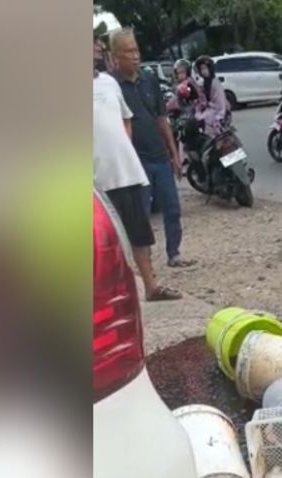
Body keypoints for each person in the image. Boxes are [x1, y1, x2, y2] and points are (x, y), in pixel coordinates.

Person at [93, 40, 180, 300]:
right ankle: (109, 293)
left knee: (140, 234)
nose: (97, 53)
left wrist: (124, 148)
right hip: (96, 180)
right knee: (104, 241)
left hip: (126, 170)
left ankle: (151, 287)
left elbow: (126, 117)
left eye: (98, 50)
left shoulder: (109, 83)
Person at [109, 28, 196, 268]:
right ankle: (142, 262)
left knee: (172, 209)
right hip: (135, 162)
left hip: (159, 157)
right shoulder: (110, 86)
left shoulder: (149, 79)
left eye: (136, 50)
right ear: (116, 56)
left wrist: (174, 154)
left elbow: (161, 119)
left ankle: (174, 253)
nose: (135, 56)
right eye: (128, 51)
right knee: (141, 217)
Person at [191, 55, 231, 139]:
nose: (203, 71)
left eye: (205, 68)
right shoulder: (205, 82)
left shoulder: (215, 83)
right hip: (210, 112)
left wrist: (219, 117)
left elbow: (220, 103)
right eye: (201, 69)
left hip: (217, 114)